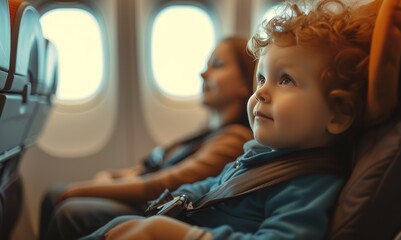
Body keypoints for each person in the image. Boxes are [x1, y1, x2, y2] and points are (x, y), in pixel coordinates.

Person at [79, 0, 381, 239]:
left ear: (338, 115)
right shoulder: (257, 156)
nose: (261, 91)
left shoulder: (308, 184)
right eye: (261, 78)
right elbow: (213, 186)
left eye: (286, 80)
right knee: (120, 223)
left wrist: (177, 233)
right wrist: (173, 202)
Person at [39, 36, 256, 240]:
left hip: (156, 205)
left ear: (245, 84)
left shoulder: (234, 139)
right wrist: (113, 176)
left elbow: (163, 183)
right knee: (55, 194)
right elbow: (154, 166)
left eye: (217, 65)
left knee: (68, 209)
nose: (203, 74)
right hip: (148, 198)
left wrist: (80, 189)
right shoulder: (207, 133)